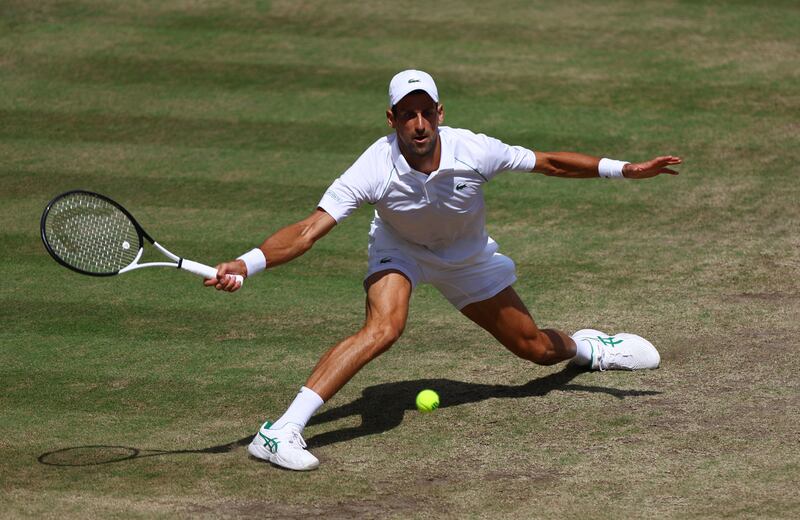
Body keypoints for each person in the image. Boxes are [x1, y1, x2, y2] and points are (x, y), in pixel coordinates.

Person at [205, 69, 681, 471]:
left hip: (468, 260)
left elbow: (549, 162)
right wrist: (246, 264)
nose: (418, 124)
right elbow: (309, 230)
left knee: (534, 348)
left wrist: (625, 169)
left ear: (439, 113)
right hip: (401, 252)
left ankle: (588, 347)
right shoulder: (373, 166)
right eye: (407, 114)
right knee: (384, 327)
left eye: (426, 112)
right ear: (392, 119)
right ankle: (280, 432)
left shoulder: (474, 150)